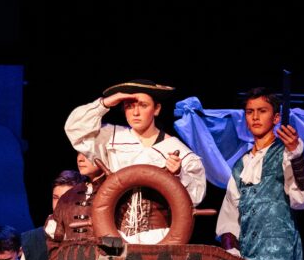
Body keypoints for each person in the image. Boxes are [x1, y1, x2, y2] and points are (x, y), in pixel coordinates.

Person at [64, 79, 206, 243]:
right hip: (115, 233)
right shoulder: (111, 137)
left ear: (157, 109)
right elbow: (75, 129)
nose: (135, 113)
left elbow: (196, 196)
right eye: (129, 106)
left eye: (143, 106)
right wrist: (105, 103)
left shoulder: (177, 150)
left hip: (159, 236)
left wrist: (178, 175)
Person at [216, 87, 304, 260]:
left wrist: (296, 155)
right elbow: (229, 215)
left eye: (262, 111)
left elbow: (300, 200)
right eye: (250, 112)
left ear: (276, 118)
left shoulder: (286, 153)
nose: (255, 117)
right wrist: (232, 252)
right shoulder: (240, 165)